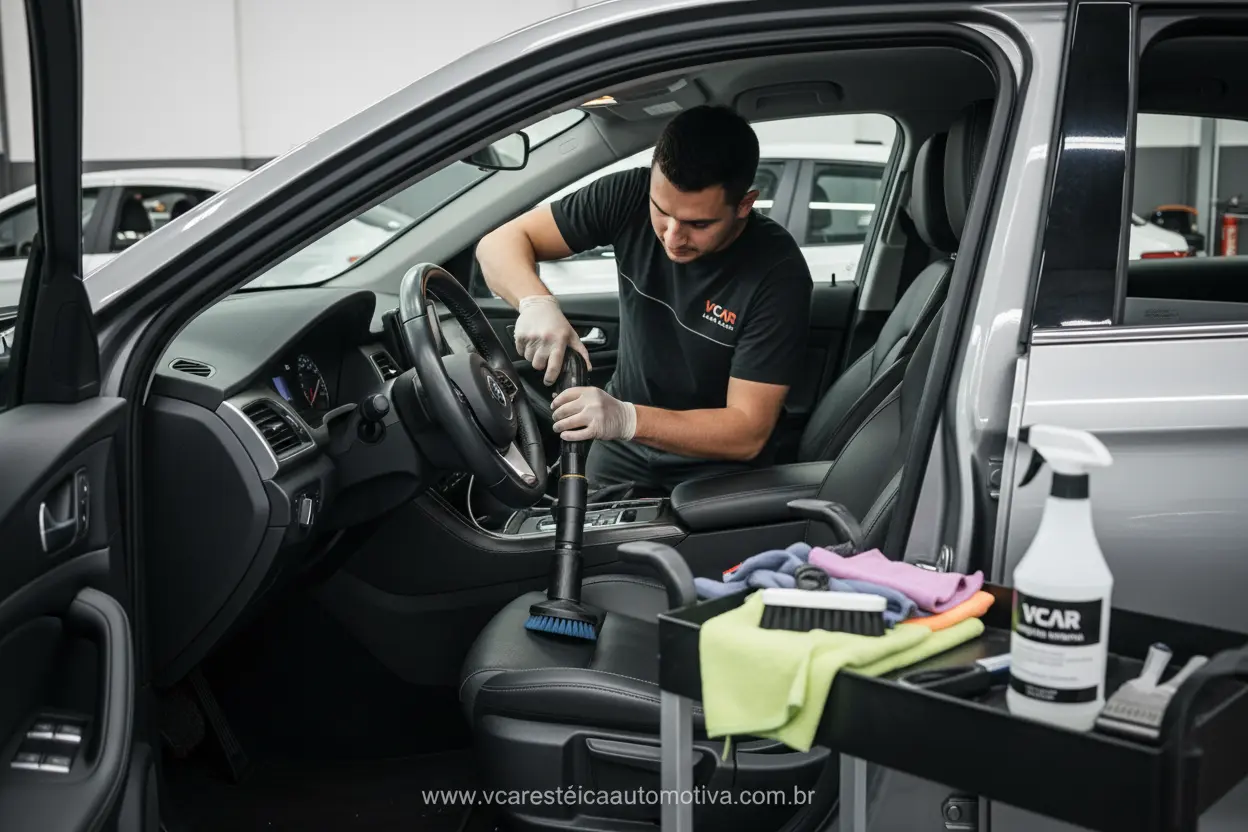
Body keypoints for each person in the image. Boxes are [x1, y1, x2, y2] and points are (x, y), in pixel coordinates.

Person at [476, 105, 813, 494]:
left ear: (744, 205)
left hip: (714, 471)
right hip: (620, 450)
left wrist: (627, 418)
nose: (672, 237)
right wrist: (536, 303)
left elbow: (747, 431)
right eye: (662, 211)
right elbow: (498, 244)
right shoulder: (628, 196)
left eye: (698, 224)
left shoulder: (777, 274)